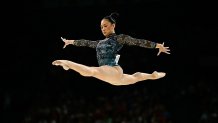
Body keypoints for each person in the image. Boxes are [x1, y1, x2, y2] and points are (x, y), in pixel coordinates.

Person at [52, 12, 170, 86]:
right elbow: (86, 43)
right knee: (135, 77)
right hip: (112, 78)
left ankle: (67, 63)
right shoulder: (100, 43)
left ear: (113, 26)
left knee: (92, 71)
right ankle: (152, 75)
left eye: (105, 26)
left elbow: (138, 42)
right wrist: (70, 42)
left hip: (113, 70)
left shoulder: (119, 38)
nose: (103, 29)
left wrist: (157, 45)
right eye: (101, 27)